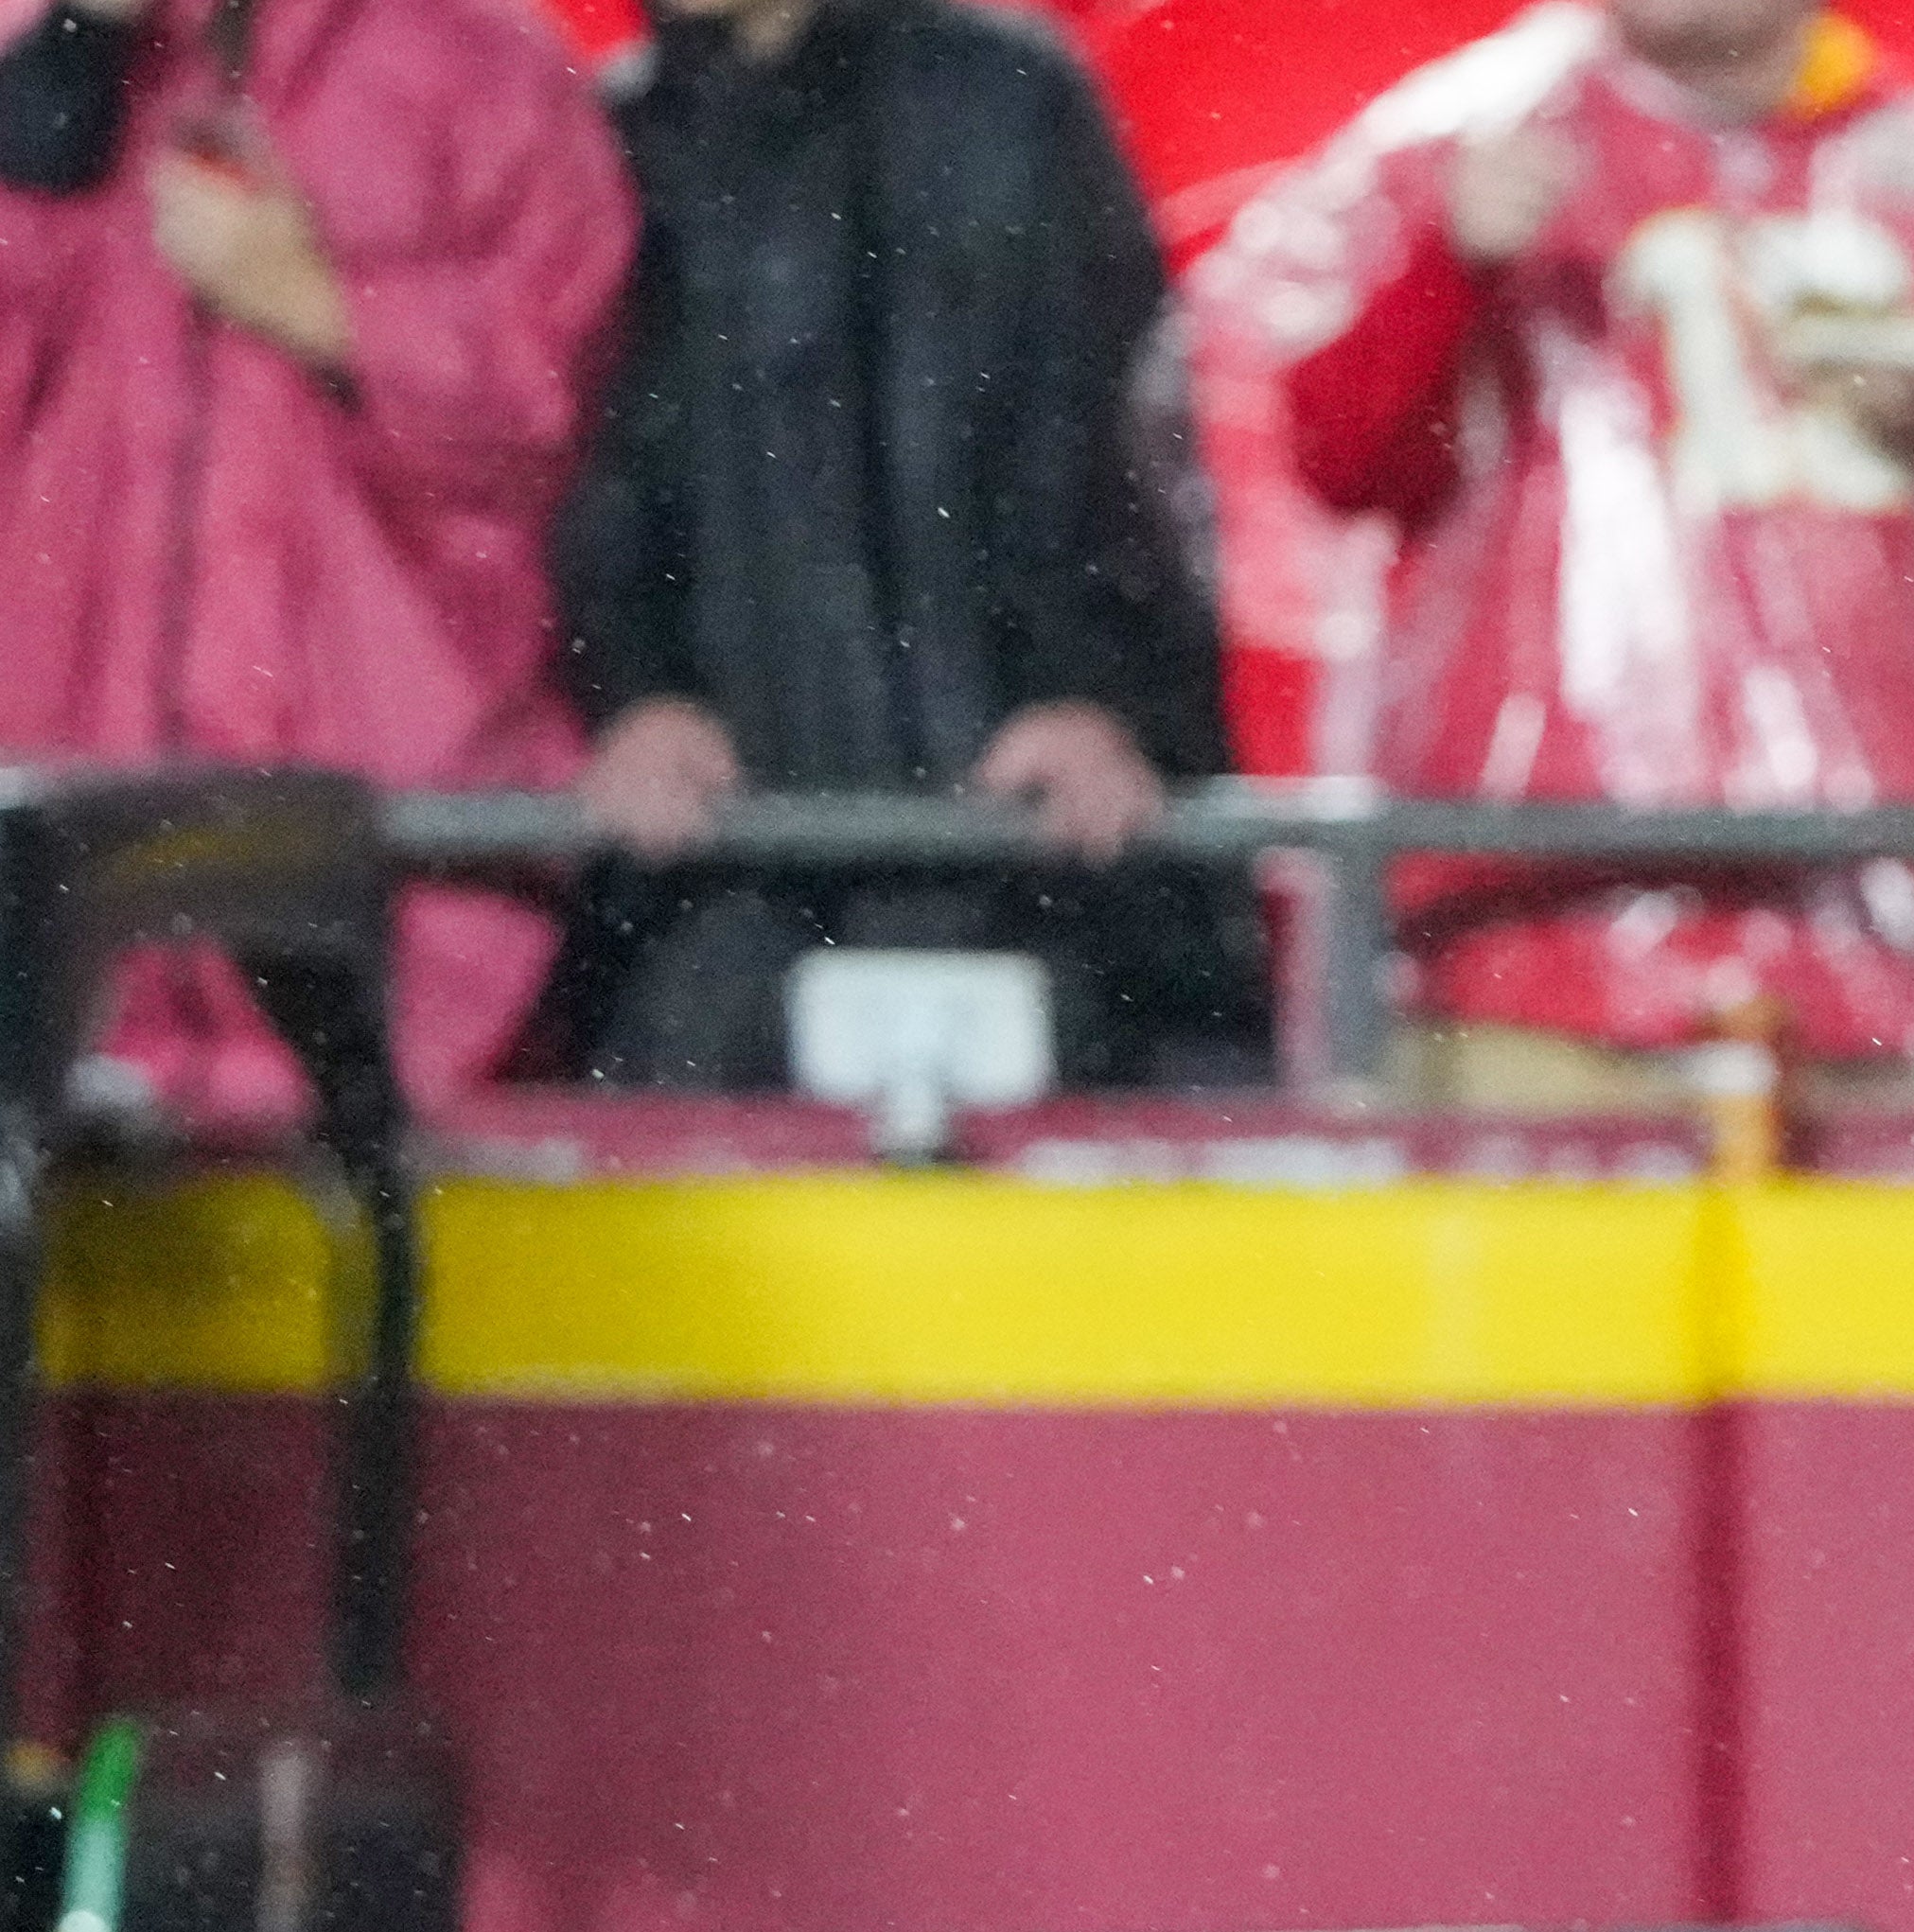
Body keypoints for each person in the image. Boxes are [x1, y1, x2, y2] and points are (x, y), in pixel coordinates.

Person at [1198, 0, 1914, 1106]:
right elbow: (1337, 469)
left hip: (1902, 936)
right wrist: (1446, 267)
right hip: (1530, 940)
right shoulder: (1458, 145)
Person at [545, 0, 1272, 1093]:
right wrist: (630, 698)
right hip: (711, 877)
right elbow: (571, 478)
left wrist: (1103, 700)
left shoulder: (1010, 105)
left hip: (1035, 853)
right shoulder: (602, 141)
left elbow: (1126, 439)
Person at [0, 0, 627, 1112]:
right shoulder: (40, 69)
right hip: (65, 938)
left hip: (400, 918)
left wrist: (325, 305)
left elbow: (560, 419)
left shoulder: (477, 68)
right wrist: (53, 92)